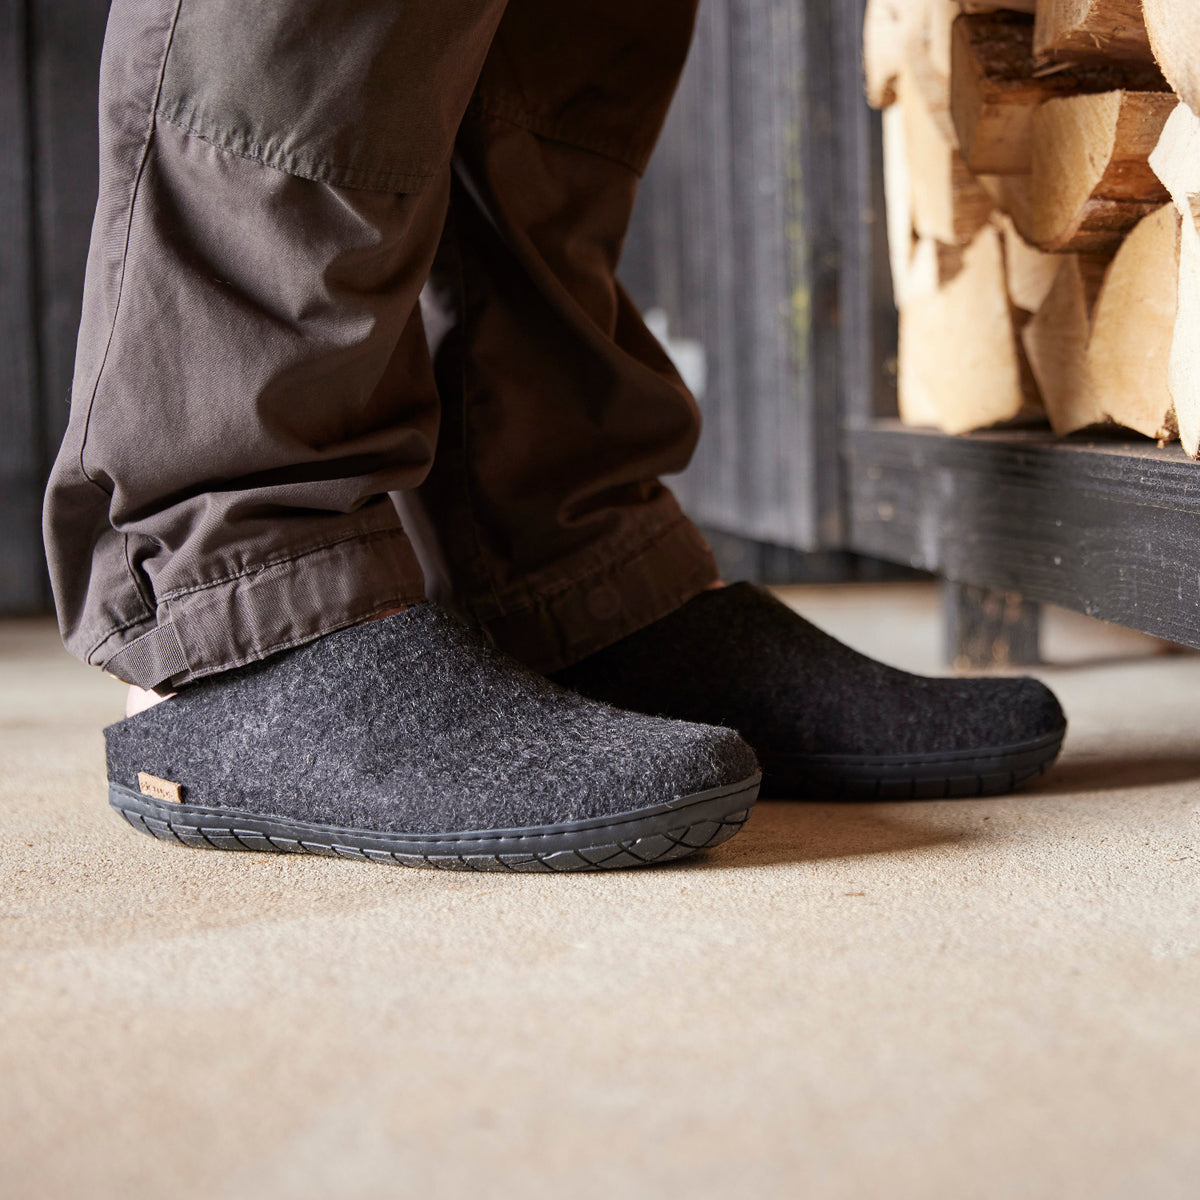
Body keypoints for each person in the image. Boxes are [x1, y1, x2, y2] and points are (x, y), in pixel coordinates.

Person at [43, 0, 1066, 873]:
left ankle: (558, 574)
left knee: (569, 43)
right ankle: (235, 591)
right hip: (234, 580)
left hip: (545, 547)